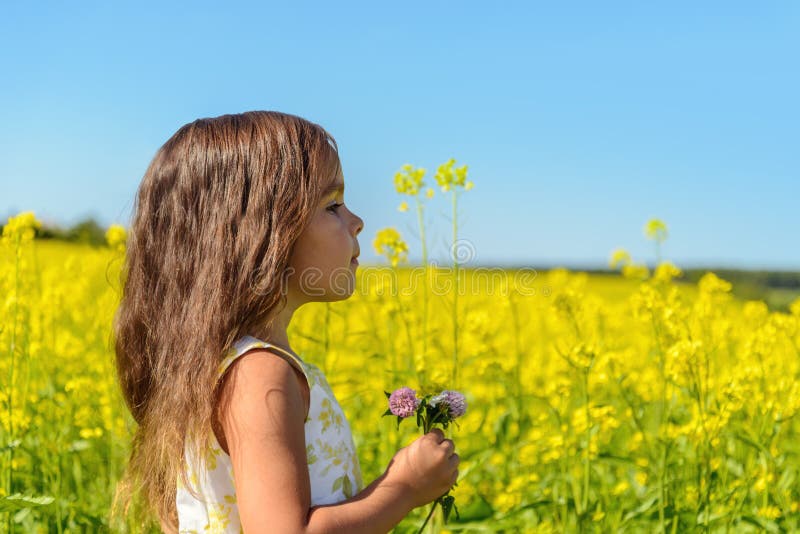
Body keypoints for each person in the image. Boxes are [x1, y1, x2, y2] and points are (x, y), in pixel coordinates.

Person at [110, 111, 459, 533]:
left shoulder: (229, 365)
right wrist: (403, 487)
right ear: (262, 234)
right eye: (332, 206)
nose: (357, 222)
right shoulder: (260, 375)